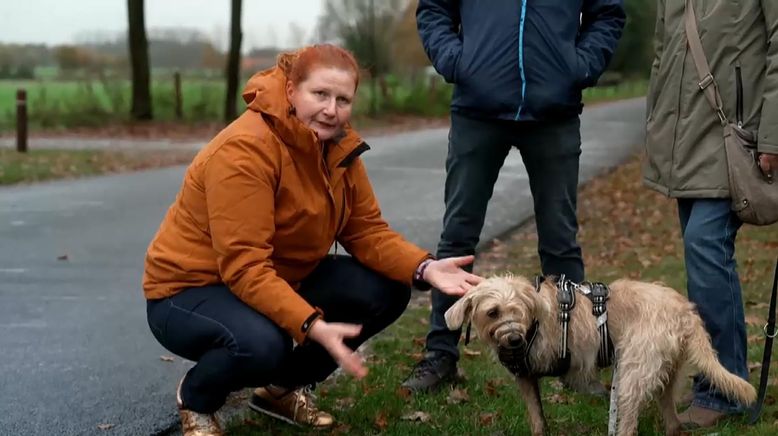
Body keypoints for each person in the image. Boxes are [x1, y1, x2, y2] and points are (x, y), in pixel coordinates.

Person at [142, 44, 483, 435]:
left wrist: (424, 267)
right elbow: (244, 266)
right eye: (319, 94)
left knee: (388, 288)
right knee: (263, 346)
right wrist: (311, 324)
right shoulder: (244, 151)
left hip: (275, 277)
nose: (331, 109)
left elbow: (366, 230)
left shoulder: (338, 146)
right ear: (290, 91)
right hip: (190, 290)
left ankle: (280, 389)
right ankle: (197, 400)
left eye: (343, 99)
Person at [402, 0, 626, 392]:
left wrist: (581, 65)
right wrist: (457, 62)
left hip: (553, 114)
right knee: (457, 237)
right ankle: (441, 356)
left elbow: (607, 12)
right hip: (478, 111)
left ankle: (572, 360)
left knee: (560, 240)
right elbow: (434, 9)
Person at [643, 0, 778, 430]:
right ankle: (723, 379)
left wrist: (773, 136)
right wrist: (658, 133)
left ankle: (722, 389)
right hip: (684, 141)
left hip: (731, 135)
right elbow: (663, 56)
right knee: (703, 259)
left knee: (704, 246)